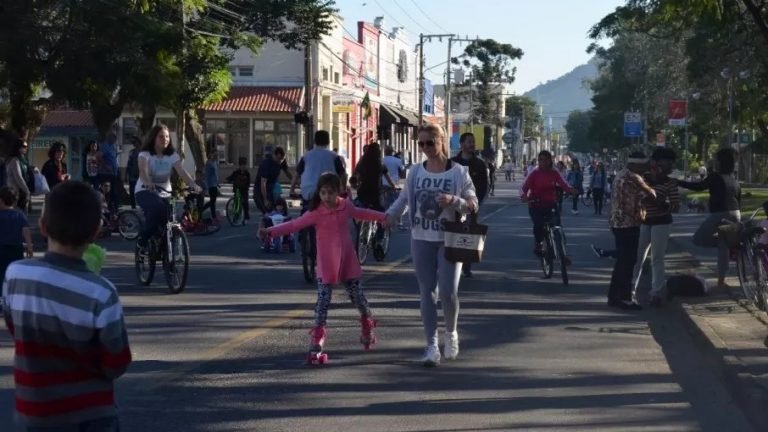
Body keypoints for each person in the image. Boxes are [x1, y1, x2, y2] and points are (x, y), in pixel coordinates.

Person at [1, 181, 132, 431]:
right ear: (95, 232)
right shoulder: (101, 292)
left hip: (36, 412)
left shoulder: (16, 275)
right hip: (90, 414)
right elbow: (116, 362)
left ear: (42, 227)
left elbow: (15, 325)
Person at [259, 173, 385, 359]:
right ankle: (317, 339)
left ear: (338, 191)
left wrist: (384, 217)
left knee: (358, 298)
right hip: (327, 264)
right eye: (323, 192)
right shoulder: (316, 213)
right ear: (319, 193)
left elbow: (362, 213)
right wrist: (270, 232)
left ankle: (367, 325)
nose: (326, 196)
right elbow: (293, 225)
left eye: (331, 192)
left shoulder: (346, 206)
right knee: (323, 301)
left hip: (347, 262)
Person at [385, 124, 478, 367]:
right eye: (421, 143)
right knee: (427, 291)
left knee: (448, 292)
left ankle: (451, 333)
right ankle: (431, 345)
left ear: (441, 141)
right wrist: (390, 216)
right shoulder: (416, 171)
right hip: (421, 237)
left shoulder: (459, 172)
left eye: (430, 143)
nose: (425, 148)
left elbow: (472, 204)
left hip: (450, 238)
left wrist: (454, 200)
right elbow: (404, 199)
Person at [678, 148, 741, 288]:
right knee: (723, 245)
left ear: (720, 162)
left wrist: (678, 182)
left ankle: (728, 244)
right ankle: (721, 279)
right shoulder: (733, 179)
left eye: (716, 159)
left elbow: (699, 186)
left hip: (720, 214)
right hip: (736, 213)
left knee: (698, 239)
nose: (714, 162)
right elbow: (738, 198)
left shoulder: (715, 176)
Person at [134, 124, 201, 249]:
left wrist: (193, 184)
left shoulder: (172, 155)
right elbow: (143, 171)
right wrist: (148, 182)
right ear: (153, 138)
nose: (165, 139)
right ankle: (142, 241)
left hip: (165, 192)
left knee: (168, 220)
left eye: (167, 137)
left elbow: (182, 172)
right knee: (157, 209)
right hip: (145, 191)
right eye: (161, 137)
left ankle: (165, 253)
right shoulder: (145, 154)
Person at [607, 151, 657, 311]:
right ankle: (624, 298)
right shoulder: (632, 178)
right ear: (635, 165)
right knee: (628, 263)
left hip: (618, 223)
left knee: (622, 261)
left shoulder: (621, 174)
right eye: (644, 166)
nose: (646, 169)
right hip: (628, 223)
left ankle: (614, 296)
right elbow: (650, 195)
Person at [632, 147, 680, 307]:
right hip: (644, 222)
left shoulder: (670, 182)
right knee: (638, 257)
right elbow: (635, 197)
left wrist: (663, 204)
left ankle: (656, 292)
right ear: (656, 163)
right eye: (667, 162)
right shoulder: (643, 179)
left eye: (671, 163)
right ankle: (630, 290)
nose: (670, 166)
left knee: (657, 258)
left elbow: (675, 206)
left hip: (662, 222)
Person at [520, 151, 576, 256]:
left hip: (550, 203)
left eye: (545, 160)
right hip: (535, 205)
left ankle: (563, 254)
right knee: (538, 224)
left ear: (550, 161)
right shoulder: (534, 173)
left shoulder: (555, 173)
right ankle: (539, 243)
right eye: (540, 160)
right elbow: (523, 188)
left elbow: (564, 183)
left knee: (557, 226)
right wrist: (524, 196)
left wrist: (571, 190)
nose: (542, 162)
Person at [451, 132, 488, 278]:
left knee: (470, 234)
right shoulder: (452, 163)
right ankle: (452, 262)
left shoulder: (479, 164)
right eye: (469, 141)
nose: (472, 144)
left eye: (473, 141)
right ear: (461, 144)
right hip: (453, 205)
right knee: (453, 233)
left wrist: (476, 202)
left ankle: (467, 265)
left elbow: (484, 186)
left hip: (471, 205)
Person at [290, 130, 347, 207]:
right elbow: (343, 174)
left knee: (309, 212)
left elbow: (296, 175)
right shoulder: (334, 156)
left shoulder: (306, 156)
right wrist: (343, 188)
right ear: (328, 141)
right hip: (329, 192)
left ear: (315, 141)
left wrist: (292, 190)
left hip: (309, 192)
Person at [0, 187, 33, 280]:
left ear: (1, 200)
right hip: (16, 249)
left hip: (1, 248)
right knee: (15, 271)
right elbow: (25, 230)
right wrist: (29, 246)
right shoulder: (19, 214)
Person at [255, 147, 293, 214]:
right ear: (275, 155)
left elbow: (287, 173)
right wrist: (265, 200)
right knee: (267, 211)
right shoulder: (267, 164)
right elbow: (263, 183)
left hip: (271, 189)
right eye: (279, 159)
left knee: (276, 208)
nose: (280, 161)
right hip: (260, 190)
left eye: (282, 159)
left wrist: (296, 182)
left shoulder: (281, 161)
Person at [4, 138, 32, 212]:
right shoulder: (14, 160)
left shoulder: (23, 160)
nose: (26, 148)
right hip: (15, 192)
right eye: (24, 146)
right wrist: (27, 191)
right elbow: (18, 177)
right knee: (17, 213)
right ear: (18, 147)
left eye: (26, 146)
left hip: (21, 191)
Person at [98, 132, 119, 214]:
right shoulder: (104, 146)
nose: (115, 140)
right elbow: (98, 157)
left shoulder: (113, 147)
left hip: (113, 173)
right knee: (107, 191)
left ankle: (113, 209)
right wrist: (106, 166)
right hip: (105, 174)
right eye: (113, 138)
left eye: (115, 138)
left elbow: (114, 158)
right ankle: (105, 209)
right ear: (109, 138)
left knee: (113, 192)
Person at [226, 157, 252, 222]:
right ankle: (236, 217)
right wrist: (228, 179)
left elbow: (248, 182)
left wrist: (247, 187)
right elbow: (231, 177)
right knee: (237, 204)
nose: (243, 167)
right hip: (237, 189)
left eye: (244, 165)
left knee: (245, 202)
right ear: (239, 166)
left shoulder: (247, 173)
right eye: (242, 165)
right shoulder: (236, 172)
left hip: (244, 190)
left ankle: (246, 216)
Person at [203, 150, 220, 220]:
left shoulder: (215, 163)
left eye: (217, 155)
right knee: (212, 200)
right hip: (210, 184)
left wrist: (217, 183)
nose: (216, 157)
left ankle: (213, 215)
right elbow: (206, 175)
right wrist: (206, 186)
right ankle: (202, 209)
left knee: (213, 201)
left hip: (214, 184)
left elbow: (216, 174)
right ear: (211, 155)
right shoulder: (208, 163)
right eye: (214, 155)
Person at [126, 140, 140, 209]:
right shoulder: (131, 152)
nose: (135, 144)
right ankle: (133, 205)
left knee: (140, 190)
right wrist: (126, 174)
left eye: (136, 142)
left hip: (140, 175)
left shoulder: (143, 152)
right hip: (132, 174)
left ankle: (140, 203)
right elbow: (128, 164)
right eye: (134, 143)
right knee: (132, 190)